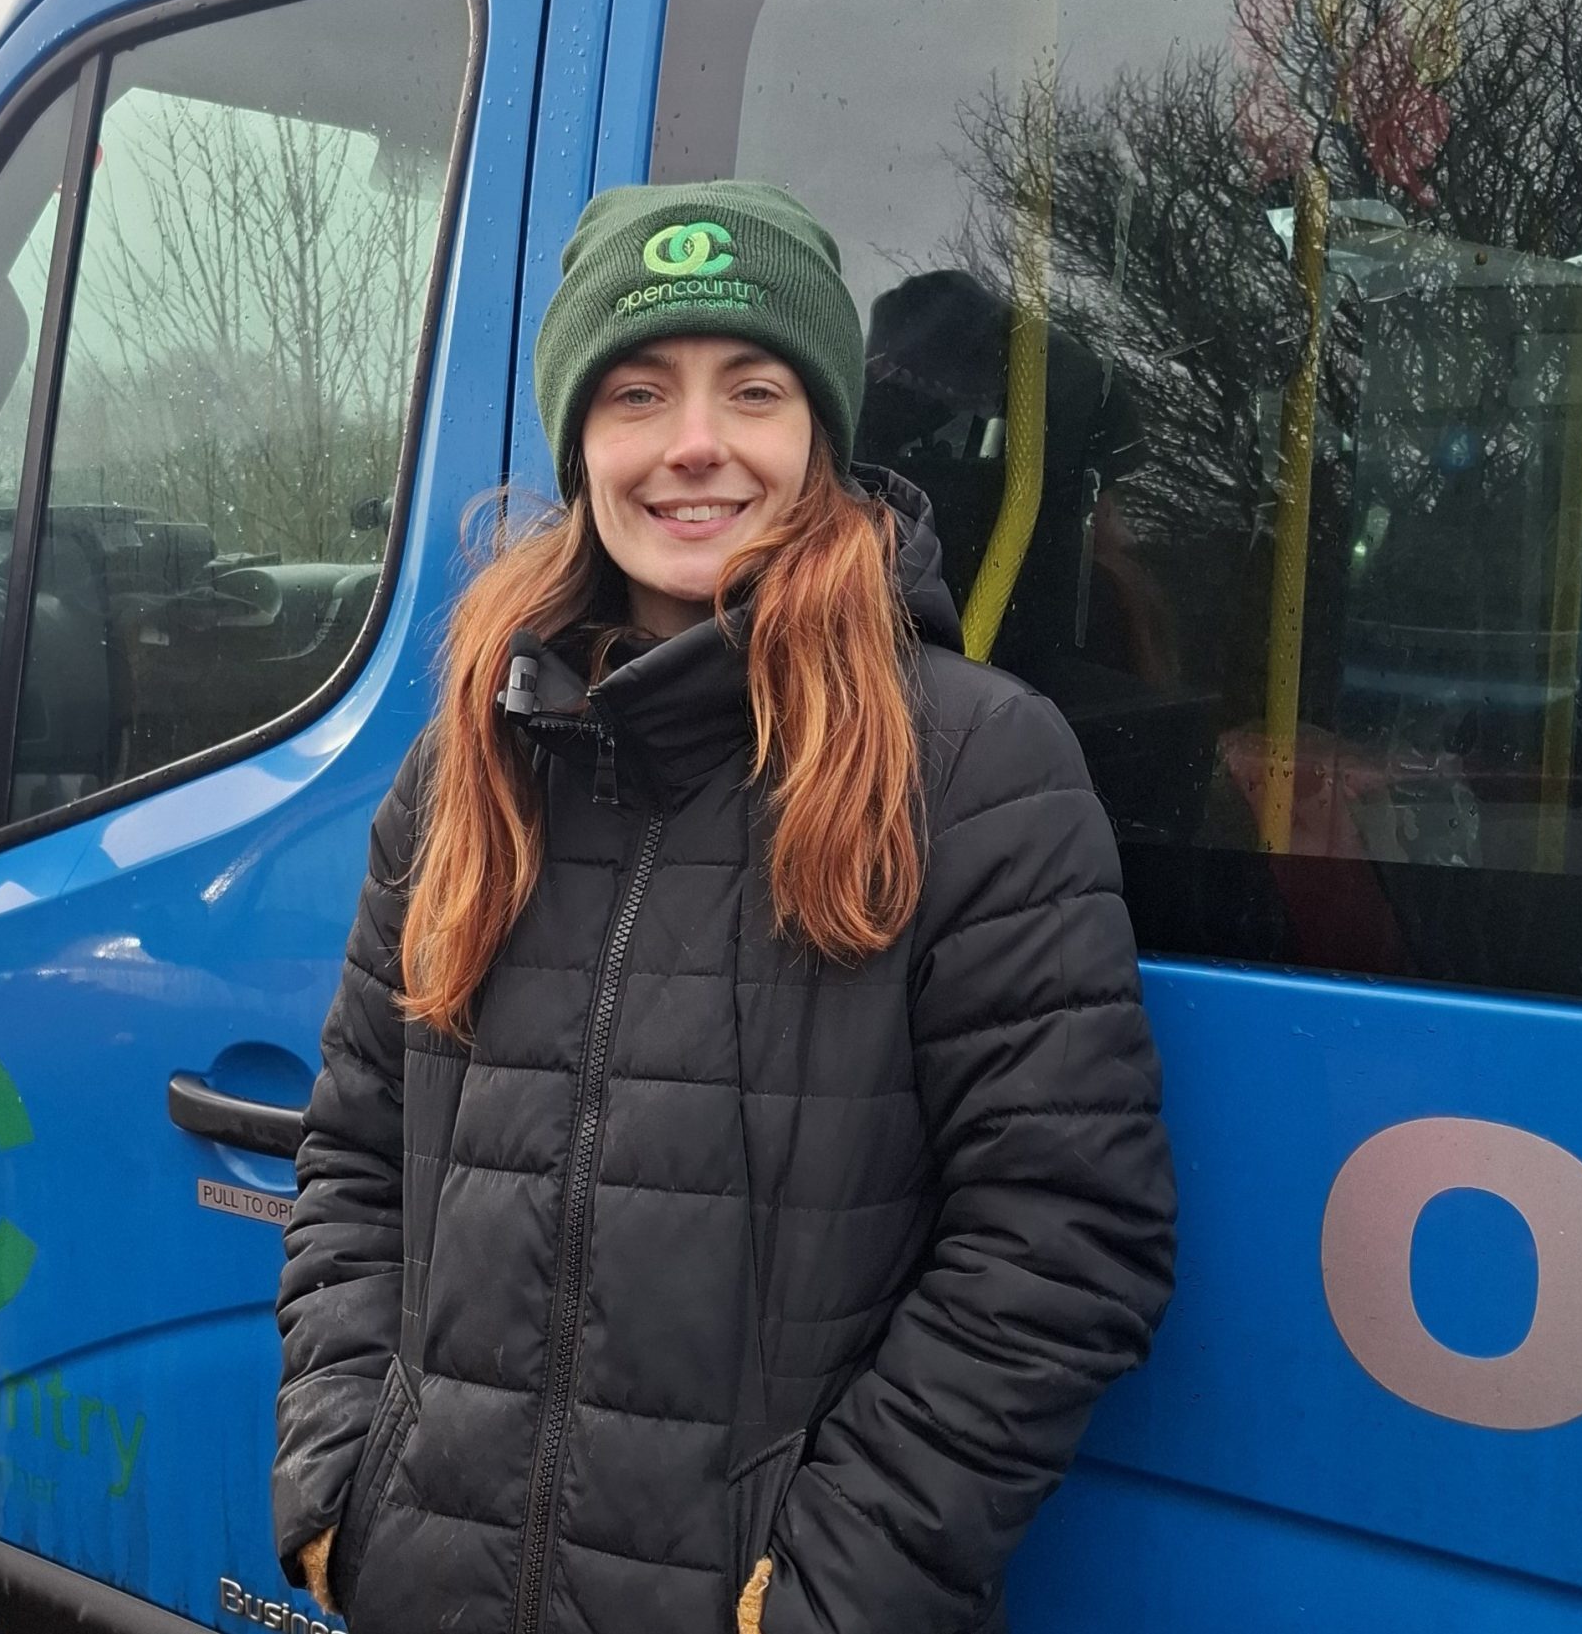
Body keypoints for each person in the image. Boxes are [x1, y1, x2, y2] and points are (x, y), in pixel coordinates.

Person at [272, 180, 1177, 1634]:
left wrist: (828, 1593)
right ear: (583, 440)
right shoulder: (469, 759)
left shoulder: (974, 764)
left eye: (752, 389)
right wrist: (337, 1488)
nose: (694, 444)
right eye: (638, 392)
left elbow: (1067, 1234)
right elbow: (357, 1146)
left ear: (819, 434)